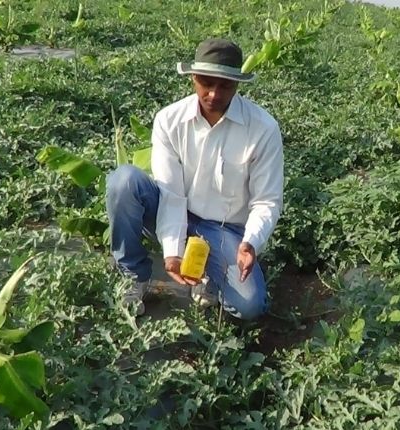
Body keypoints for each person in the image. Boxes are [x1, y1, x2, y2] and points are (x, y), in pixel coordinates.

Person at [105, 38, 284, 319]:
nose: (213, 94)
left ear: (238, 84)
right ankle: (134, 275)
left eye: (225, 85)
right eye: (206, 82)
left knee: (250, 307)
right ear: (193, 79)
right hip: (172, 210)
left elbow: (267, 200)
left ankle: (207, 274)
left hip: (225, 231)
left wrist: (251, 242)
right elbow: (171, 194)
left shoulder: (262, 128)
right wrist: (173, 252)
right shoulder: (169, 120)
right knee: (123, 181)